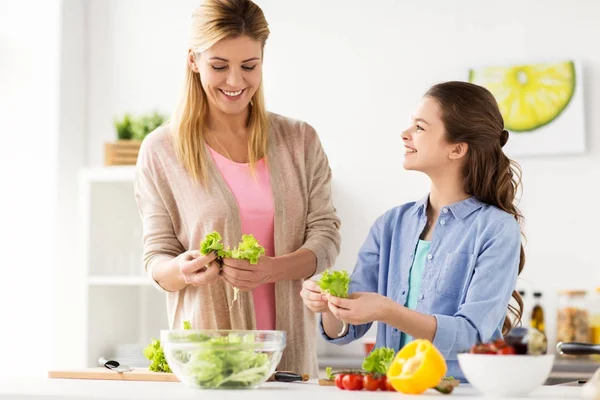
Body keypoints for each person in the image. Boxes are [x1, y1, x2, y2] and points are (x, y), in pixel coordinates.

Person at [134, 0, 341, 377]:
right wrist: (182, 269)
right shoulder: (162, 150)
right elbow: (157, 258)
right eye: (219, 66)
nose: (235, 82)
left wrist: (274, 269)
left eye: (249, 66)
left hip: (290, 359)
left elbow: (325, 238)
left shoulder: (299, 140)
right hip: (210, 363)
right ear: (194, 61)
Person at [301, 81, 524, 380]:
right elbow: (346, 329)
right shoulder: (391, 224)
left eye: (420, 127)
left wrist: (387, 311)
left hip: (458, 391)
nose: (405, 134)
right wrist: (328, 304)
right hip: (392, 388)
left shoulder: (496, 229)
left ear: (457, 149)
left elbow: (473, 337)